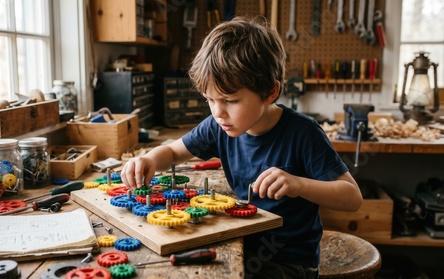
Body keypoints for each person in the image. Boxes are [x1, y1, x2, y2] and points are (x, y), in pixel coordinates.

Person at [121, 16, 363, 279]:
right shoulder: (219, 126)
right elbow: (173, 152)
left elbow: (352, 198)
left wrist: (298, 185)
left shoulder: (303, 133)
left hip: (287, 262)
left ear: (270, 92)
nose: (218, 112)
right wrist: (150, 159)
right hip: (241, 242)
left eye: (230, 100)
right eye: (209, 100)